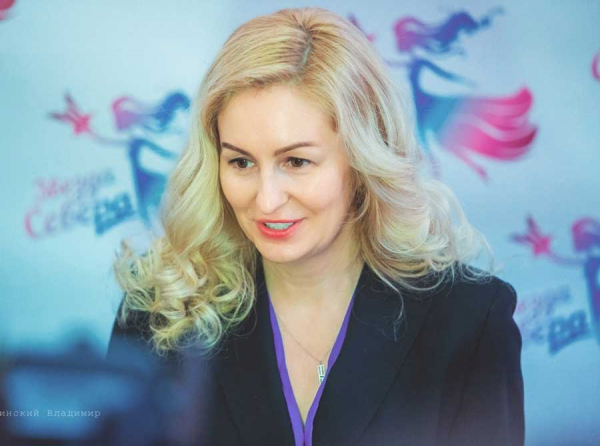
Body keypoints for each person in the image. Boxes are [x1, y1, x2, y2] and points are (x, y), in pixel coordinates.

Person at [107, 7, 524, 446]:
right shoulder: (159, 313)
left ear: (362, 160)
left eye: (296, 161)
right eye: (241, 162)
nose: (266, 199)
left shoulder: (470, 319)